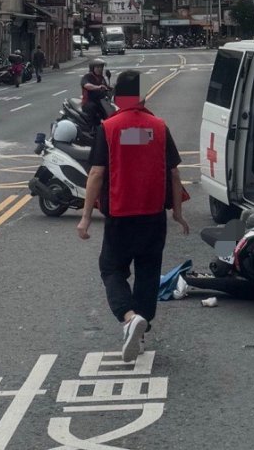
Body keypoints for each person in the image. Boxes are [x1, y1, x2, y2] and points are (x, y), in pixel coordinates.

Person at [77, 70, 189, 362]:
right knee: (148, 274)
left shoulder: (109, 128)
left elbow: (97, 173)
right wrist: (177, 212)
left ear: (117, 99)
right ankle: (142, 325)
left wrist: (86, 217)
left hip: (120, 215)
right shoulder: (159, 127)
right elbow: (174, 174)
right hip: (153, 216)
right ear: (141, 97)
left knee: (111, 269)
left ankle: (128, 318)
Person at [80, 58, 112, 131]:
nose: (99, 69)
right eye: (97, 67)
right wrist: (98, 87)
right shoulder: (88, 76)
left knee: (109, 112)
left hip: (100, 101)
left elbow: (106, 87)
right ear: (92, 68)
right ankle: (91, 129)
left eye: (101, 67)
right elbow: (86, 85)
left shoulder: (101, 78)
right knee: (92, 108)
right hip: (88, 102)